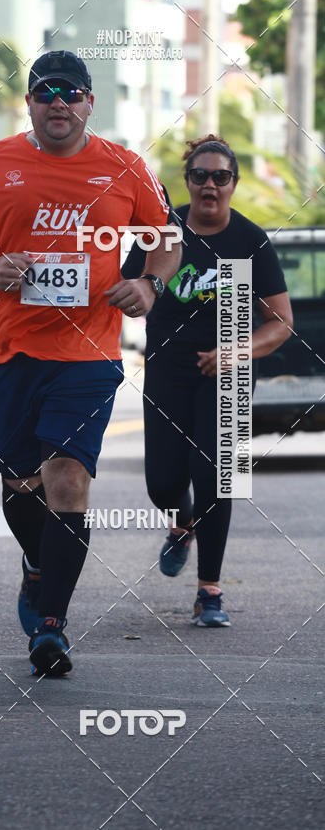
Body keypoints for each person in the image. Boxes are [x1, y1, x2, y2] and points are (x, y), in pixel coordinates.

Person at [0, 50, 181, 675]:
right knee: (21, 481)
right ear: (29, 103)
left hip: (88, 352)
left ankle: (52, 625)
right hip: (12, 350)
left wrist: (148, 285)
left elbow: (166, 239)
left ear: (90, 102)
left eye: (71, 93)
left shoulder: (125, 167)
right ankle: (37, 564)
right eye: (46, 93)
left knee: (67, 477)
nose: (59, 103)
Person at [121, 134, 293, 626]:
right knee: (163, 483)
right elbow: (133, 287)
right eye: (200, 175)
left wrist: (234, 351)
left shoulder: (249, 240)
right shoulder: (163, 231)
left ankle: (209, 592)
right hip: (168, 368)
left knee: (218, 476)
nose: (210, 185)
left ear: (234, 184)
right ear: (189, 181)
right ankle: (181, 522)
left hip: (231, 371)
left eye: (221, 176)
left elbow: (280, 322)